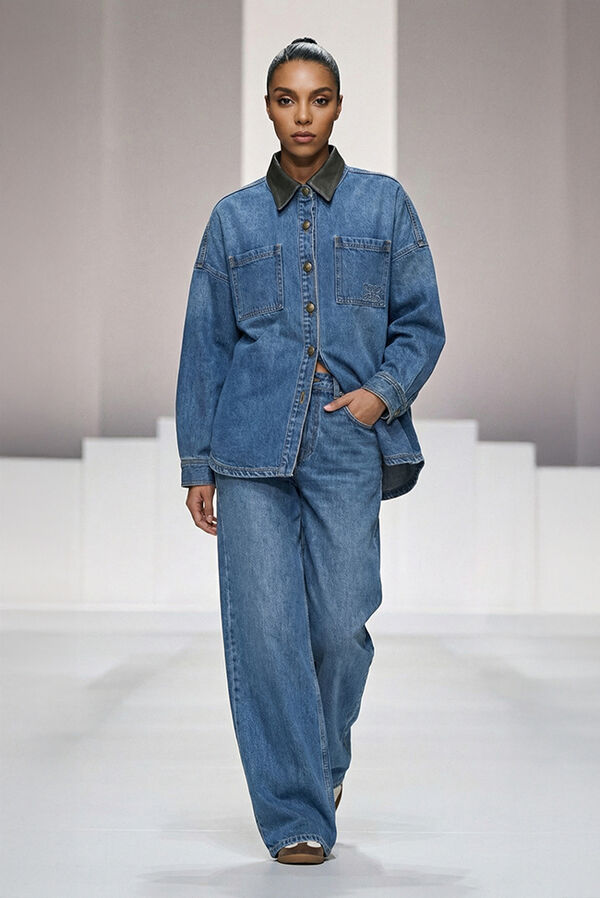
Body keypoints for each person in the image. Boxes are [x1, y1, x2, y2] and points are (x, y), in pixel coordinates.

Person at [175, 36, 446, 865]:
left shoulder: (383, 206)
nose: (303, 115)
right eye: (287, 99)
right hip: (249, 447)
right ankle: (296, 813)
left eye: (318, 99)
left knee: (338, 624)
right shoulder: (232, 219)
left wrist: (382, 393)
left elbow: (421, 322)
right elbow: (205, 345)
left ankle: (321, 766)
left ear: (337, 107)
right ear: (268, 108)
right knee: (265, 632)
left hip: (345, 443)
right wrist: (197, 463)